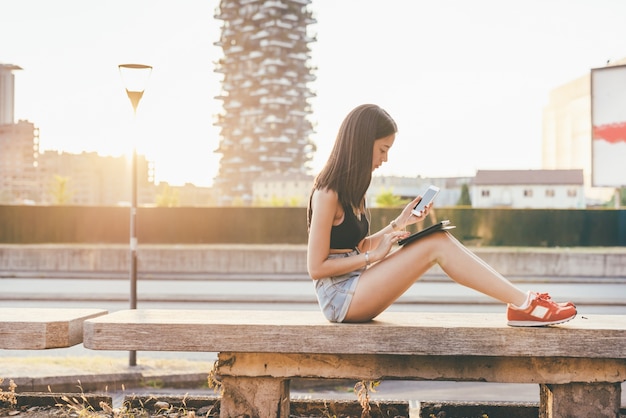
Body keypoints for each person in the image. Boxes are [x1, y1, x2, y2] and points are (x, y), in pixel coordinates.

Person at [306, 104, 577, 326]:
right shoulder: (327, 194)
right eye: (382, 150)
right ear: (361, 144)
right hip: (338, 297)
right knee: (436, 244)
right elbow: (316, 267)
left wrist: (400, 223)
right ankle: (525, 304)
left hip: (355, 284)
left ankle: (521, 302)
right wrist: (372, 257)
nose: (385, 159)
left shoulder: (355, 190)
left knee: (440, 238)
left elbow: (357, 247)